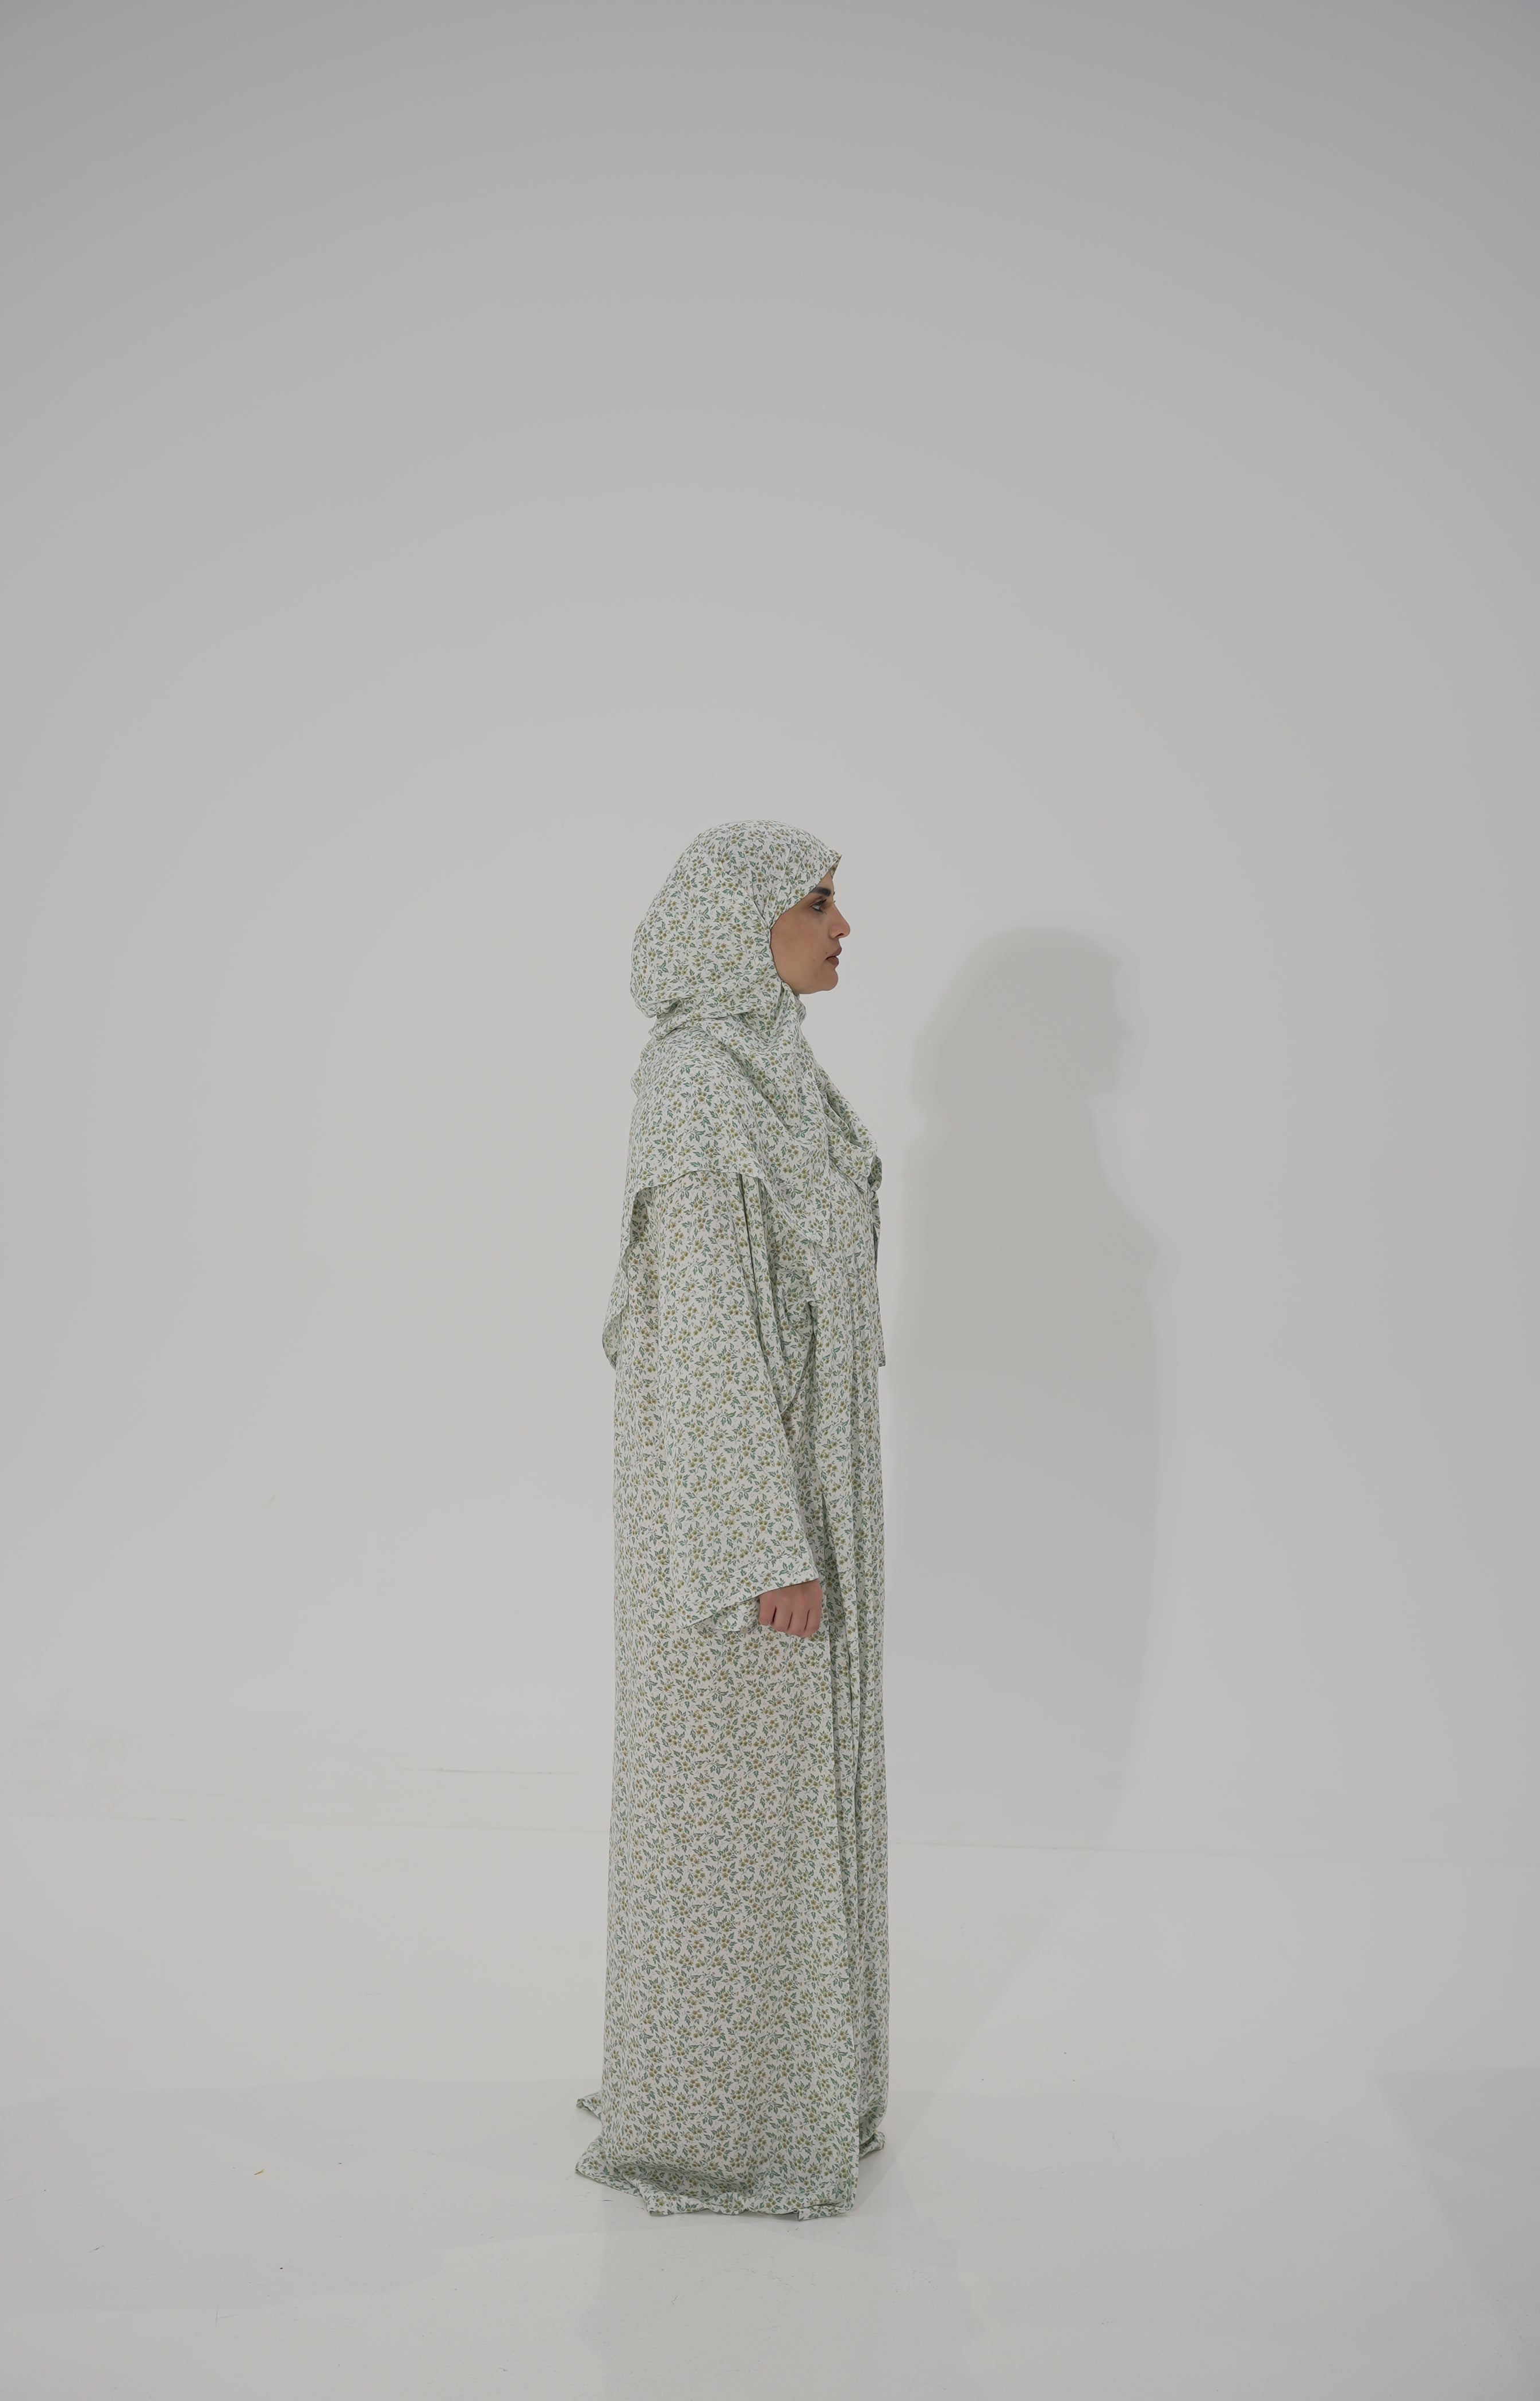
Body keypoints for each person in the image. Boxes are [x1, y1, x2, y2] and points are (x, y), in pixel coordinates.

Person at [575, 819, 889, 2219]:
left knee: (788, 1801)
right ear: (735, 921)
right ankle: (720, 2118)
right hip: (741, 1520)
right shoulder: (699, 1082)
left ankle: (796, 2084)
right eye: (817, 901)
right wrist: (764, 1542)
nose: (842, 926)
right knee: (736, 1797)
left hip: (809, 1483)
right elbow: (702, 1325)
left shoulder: (782, 1069)